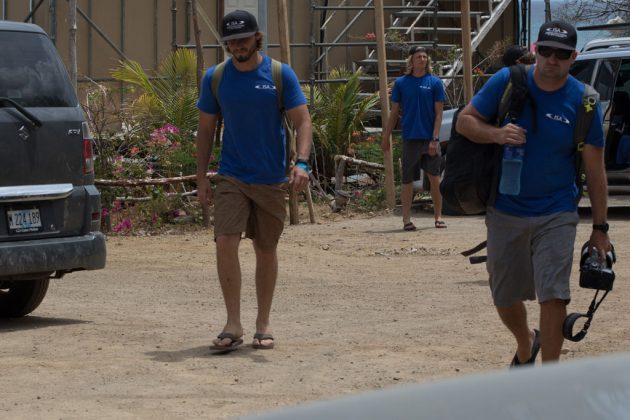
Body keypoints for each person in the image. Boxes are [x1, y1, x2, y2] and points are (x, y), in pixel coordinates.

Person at [456, 21, 610, 365]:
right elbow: (465, 121)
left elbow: (596, 171)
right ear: (536, 50)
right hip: (506, 207)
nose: (552, 60)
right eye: (546, 51)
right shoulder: (509, 81)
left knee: (554, 295)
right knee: (504, 295)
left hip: (557, 211)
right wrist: (496, 135)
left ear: (574, 57)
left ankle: (547, 380)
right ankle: (526, 341)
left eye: (562, 54)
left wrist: (600, 229)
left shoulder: (585, 101)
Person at [196, 10, 312, 352]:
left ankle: (263, 322)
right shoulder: (215, 78)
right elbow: (204, 130)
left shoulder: (279, 75)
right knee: (225, 241)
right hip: (232, 174)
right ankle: (233, 322)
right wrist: (202, 176)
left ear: (256, 37)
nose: (237, 46)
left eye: (243, 39)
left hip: (271, 178)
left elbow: (303, 122)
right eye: (231, 41)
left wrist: (301, 162)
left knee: (265, 249)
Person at [382, 46, 447, 231]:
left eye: (425, 57)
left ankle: (438, 216)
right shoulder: (401, 83)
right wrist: (386, 136)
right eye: (418, 56)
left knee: (434, 177)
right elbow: (394, 112)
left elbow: (439, 114)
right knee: (407, 179)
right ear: (411, 60)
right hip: (410, 138)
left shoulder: (434, 83)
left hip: (429, 138)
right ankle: (406, 220)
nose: (422, 59)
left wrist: (435, 139)